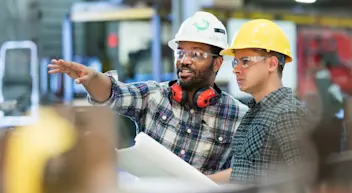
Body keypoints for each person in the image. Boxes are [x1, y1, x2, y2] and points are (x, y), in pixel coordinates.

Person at [48, 11, 248, 175]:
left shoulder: (238, 116)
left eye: (196, 54)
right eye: (180, 52)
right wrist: (91, 78)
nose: (185, 60)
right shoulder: (154, 96)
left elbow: (243, 174)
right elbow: (113, 93)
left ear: (217, 62)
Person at [207, 19, 317, 184]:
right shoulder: (254, 113)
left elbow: (308, 182)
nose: (235, 69)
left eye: (245, 61)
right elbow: (243, 171)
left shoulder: (288, 115)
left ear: (272, 64)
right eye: (236, 62)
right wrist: (201, 181)